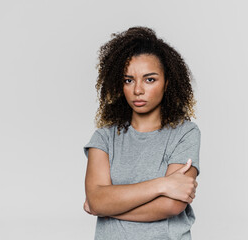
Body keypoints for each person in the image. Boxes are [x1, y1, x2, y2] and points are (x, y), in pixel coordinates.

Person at [83, 26, 201, 240]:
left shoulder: (185, 133)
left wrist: (108, 205)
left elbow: (173, 204)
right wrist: (163, 184)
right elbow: (96, 200)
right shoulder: (104, 138)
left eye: (150, 79)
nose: (138, 90)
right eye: (128, 80)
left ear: (167, 82)